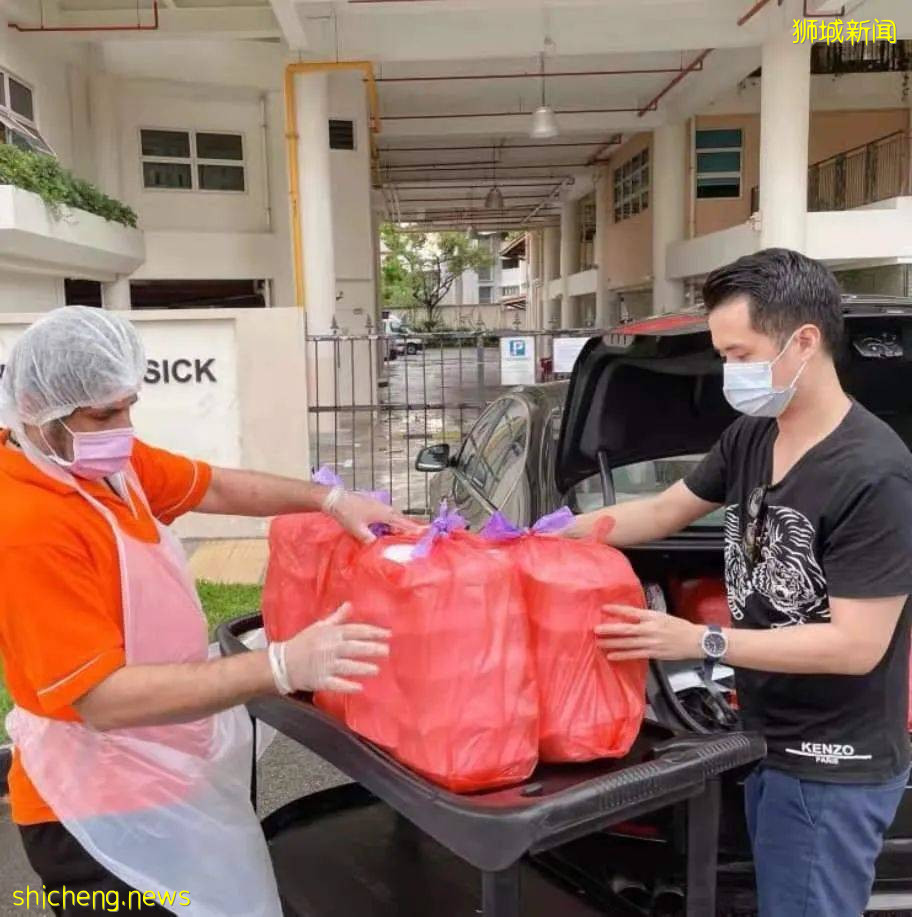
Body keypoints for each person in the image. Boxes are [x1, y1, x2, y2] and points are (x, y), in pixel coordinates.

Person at [0, 306, 417, 915]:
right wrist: (278, 666)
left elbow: (213, 486)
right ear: (38, 406)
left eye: (129, 404)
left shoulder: (102, 464)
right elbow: (104, 699)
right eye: (105, 413)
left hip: (168, 764)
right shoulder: (29, 524)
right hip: (92, 810)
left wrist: (327, 499)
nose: (124, 425)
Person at [568, 248, 912, 917]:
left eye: (739, 352)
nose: (730, 371)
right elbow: (664, 511)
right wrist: (551, 532)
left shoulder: (875, 475)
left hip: (831, 760)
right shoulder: (755, 434)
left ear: (803, 342)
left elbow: (854, 646)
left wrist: (701, 640)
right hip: (766, 734)